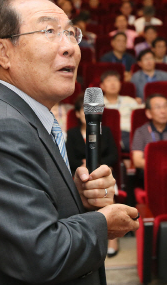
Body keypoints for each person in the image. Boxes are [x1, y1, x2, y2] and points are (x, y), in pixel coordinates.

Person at [0, 0, 138, 284]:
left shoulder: (17, 118)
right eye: (49, 31)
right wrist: (101, 223)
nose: (70, 46)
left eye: (71, 33)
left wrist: (77, 200)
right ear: (3, 51)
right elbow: (40, 255)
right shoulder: (1, 130)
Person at [65, 93, 121, 258]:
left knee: (106, 190)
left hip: (103, 172)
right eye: (82, 110)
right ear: (77, 114)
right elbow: (69, 157)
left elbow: (113, 155)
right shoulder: (73, 133)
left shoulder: (106, 131)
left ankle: (111, 239)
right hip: (80, 175)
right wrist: (82, 165)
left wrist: (99, 165)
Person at [100, 70, 143, 151]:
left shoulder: (130, 101)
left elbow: (140, 118)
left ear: (120, 84)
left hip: (128, 134)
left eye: (116, 80)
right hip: (107, 136)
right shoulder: (97, 104)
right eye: (109, 81)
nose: (113, 84)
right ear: (102, 86)